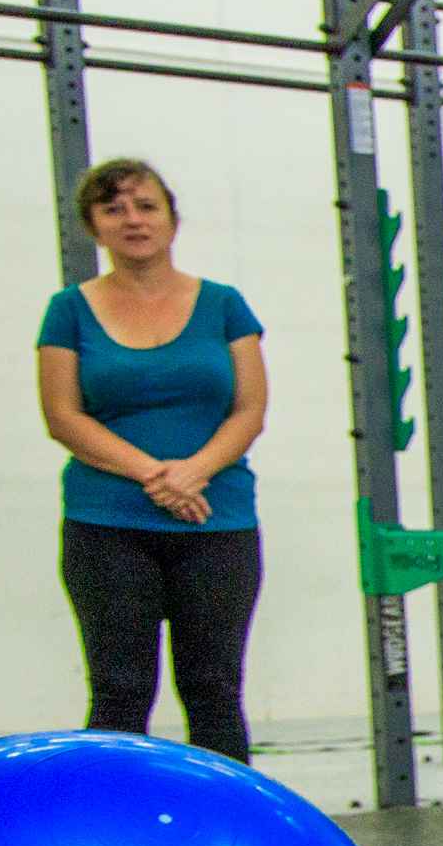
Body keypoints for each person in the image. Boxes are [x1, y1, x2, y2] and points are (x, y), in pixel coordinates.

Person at [35, 158, 270, 762]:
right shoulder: (68, 310)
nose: (132, 220)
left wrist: (195, 471)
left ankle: (222, 820)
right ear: (94, 226)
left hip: (216, 521)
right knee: (120, 689)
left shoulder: (224, 305)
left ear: (171, 220)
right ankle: (109, 818)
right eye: (113, 209)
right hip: (107, 524)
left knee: (214, 689)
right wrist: (155, 475)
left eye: (146, 206)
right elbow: (63, 416)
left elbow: (249, 410)